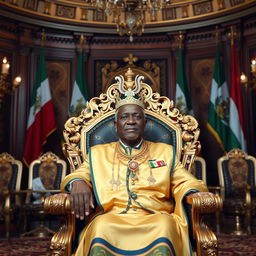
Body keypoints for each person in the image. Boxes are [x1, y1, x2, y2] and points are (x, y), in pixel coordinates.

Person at [61, 70, 208, 256]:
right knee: (99, 227)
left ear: (145, 123)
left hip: (155, 218)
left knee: (165, 226)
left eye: (137, 117)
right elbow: (78, 174)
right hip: (111, 219)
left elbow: (187, 182)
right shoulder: (97, 153)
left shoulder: (165, 152)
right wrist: (77, 182)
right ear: (115, 125)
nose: (131, 121)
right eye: (124, 117)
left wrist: (194, 191)